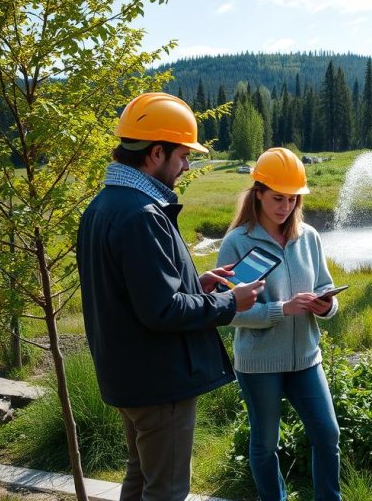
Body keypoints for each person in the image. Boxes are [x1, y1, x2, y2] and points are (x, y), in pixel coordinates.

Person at [77, 92, 265, 501]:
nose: (185, 167)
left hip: (128, 374)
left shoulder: (103, 207)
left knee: (140, 477)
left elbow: (133, 292)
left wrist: (196, 284)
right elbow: (161, 310)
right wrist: (232, 302)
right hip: (159, 382)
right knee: (167, 489)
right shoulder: (142, 215)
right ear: (156, 152)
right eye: (182, 157)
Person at [217, 147, 341, 501]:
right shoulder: (237, 243)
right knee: (265, 443)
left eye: (291, 199)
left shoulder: (310, 237)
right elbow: (229, 311)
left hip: (306, 358)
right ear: (257, 193)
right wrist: (281, 310)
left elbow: (324, 289)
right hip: (259, 365)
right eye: (277, 198)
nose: (285, 207)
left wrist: (325, 306)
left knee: (327, 434)